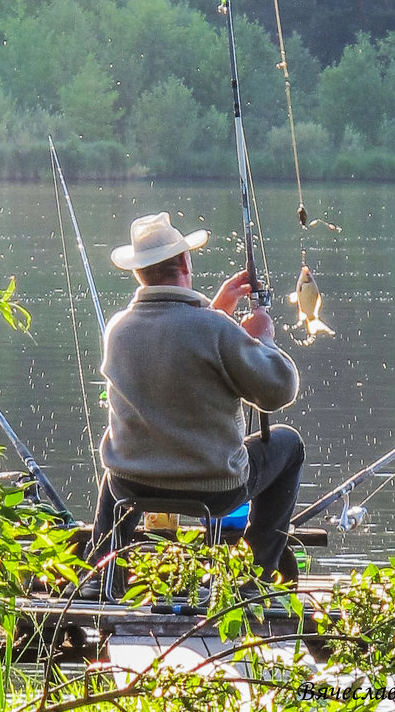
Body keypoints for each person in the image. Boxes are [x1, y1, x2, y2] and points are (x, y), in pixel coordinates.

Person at [87, 211, 304, 587]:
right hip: (215, 488)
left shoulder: (117, 329)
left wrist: (216, 313)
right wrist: (262, 338)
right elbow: (278, 391)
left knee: (115, 463)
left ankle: (102, 572)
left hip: (133, 486)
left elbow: (176, 352)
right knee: (289, 445)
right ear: (186, 260)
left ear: (138, 273)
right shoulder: (215, 329)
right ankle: (257, 577)